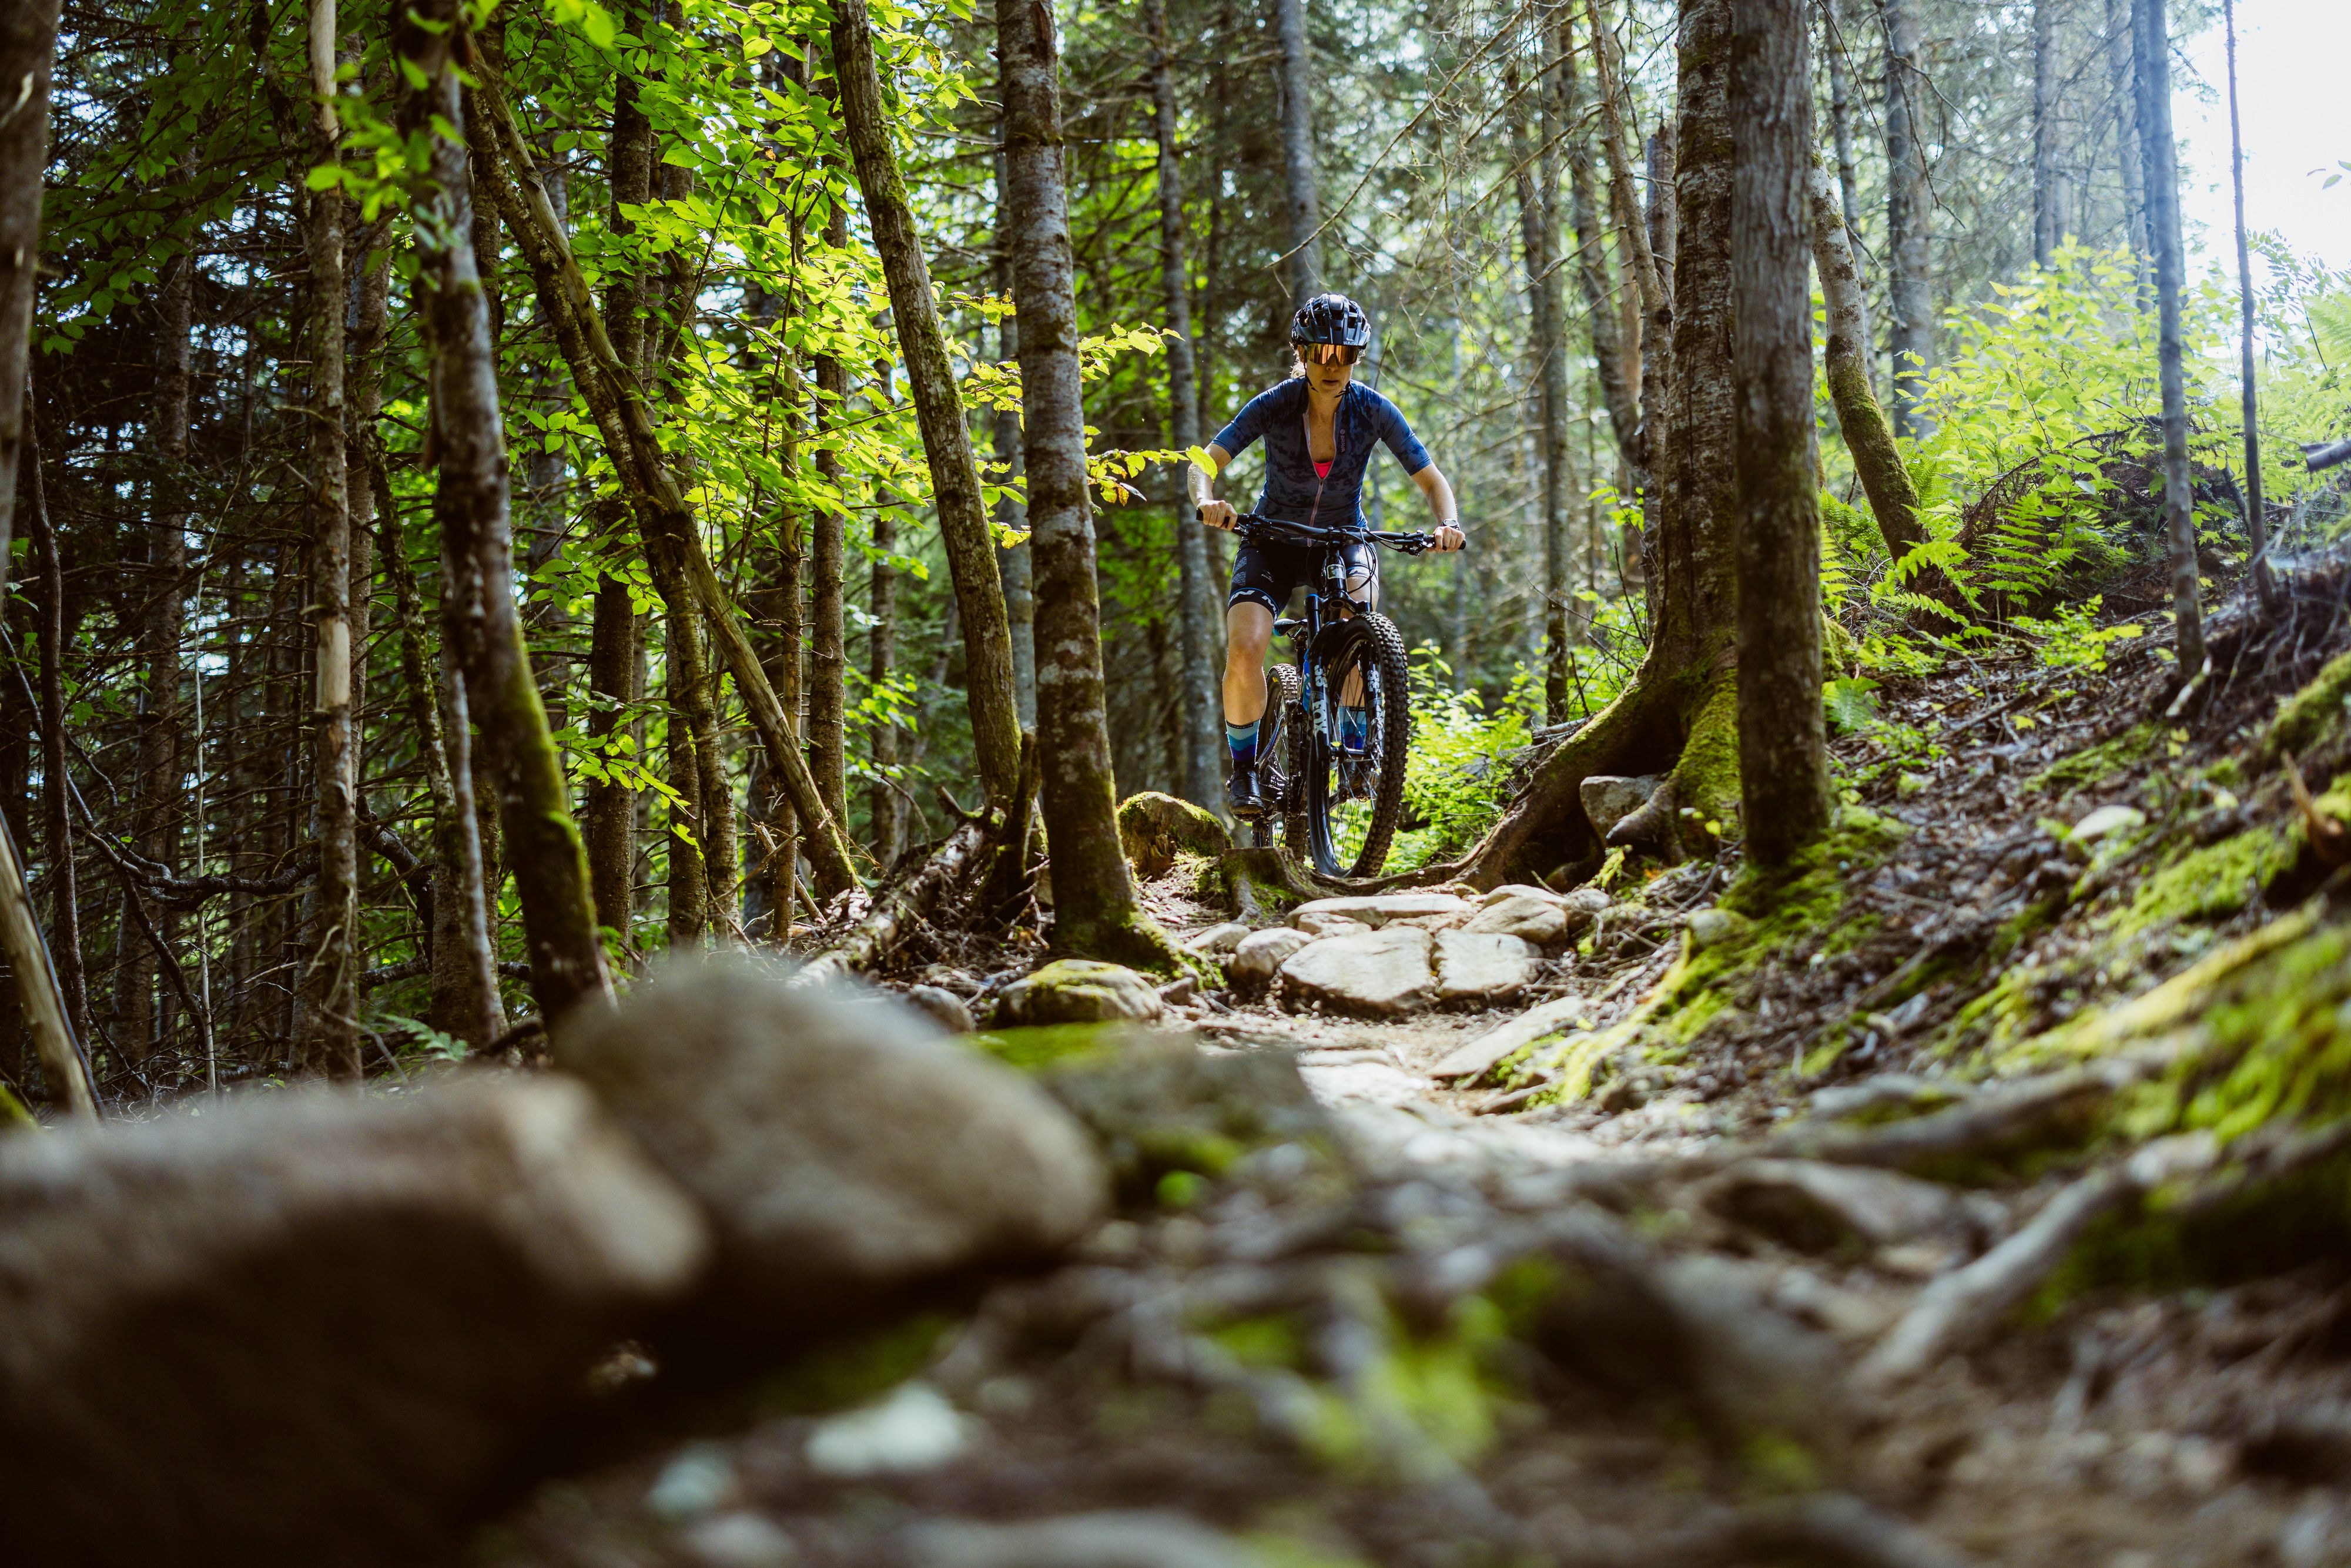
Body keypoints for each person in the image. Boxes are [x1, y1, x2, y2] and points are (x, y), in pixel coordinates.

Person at [1185, 292, 1464, 816]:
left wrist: (1448, 524)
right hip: (1271, 538)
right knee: (1246, 647)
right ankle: (1245, 771)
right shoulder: (1275, 404)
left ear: (1358, 357)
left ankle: (1358, 755)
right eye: (1321, 353)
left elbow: (1431, 480)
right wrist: (1207, 501)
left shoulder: (1373, 410)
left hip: (1343, 539)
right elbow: (1205, 460)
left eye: (1346, 354)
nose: (1333, 365)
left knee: (1359, 624)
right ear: (1302, 352)